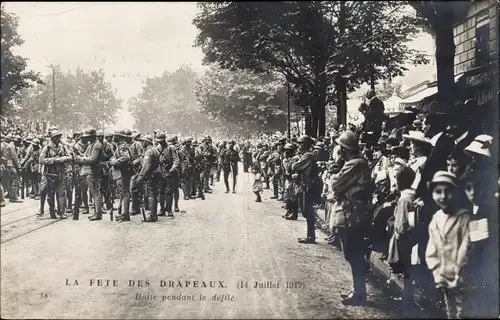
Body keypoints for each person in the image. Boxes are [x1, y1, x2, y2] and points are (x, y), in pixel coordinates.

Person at [329, 131, 374, 305]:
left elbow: (336, 184)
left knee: (352, 252)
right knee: (353, 252)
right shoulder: (359, 163)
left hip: (351, 213)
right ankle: (358, 290)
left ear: (344, 148)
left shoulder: (354, 164)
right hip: (356, 211)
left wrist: (334, 176)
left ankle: (359, 294)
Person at [425, 171, 471, 319]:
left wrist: (460, 275)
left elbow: (466, 248)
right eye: (438, 192)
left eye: (448, 192)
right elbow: (432, 249)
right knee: (450, 312)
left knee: (462, 313)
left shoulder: (464, 218)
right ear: (432, 194)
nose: (443, 197)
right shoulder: (436, 218)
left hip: (463, 280)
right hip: (443, 278)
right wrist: (437, 273)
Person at [39, 130, 73, 219]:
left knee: (62, 193)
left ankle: (62, 212)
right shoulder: (47, 148)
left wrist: (62, 159)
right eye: (56, 137)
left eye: (59, 137)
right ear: (52, 138)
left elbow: (70, 157)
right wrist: (53, 160)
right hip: (50, 174)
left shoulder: (63, 147)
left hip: (61, 173)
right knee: (50, 194)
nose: (58, 138)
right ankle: (52, 211)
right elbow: (41, 160)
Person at [291, 135, 318, 244]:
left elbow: (295, 166)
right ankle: (310, 235)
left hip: (307, 185)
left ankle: (311, 236)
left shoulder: (307, 156)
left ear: (306, 144)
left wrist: (296, 162)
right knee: (306, 210)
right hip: (305, 184)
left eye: (301, 143)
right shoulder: (306, 155)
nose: (298, 145)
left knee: (307, 211)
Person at [73, 128, 104, 221]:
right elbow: (86, 156)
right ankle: (96, 213)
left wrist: (80, 159)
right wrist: (78, 154)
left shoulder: (97, 145)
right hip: (89, 171)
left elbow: (93, 159)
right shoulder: (92, 145)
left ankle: (98, 213)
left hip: (93, 170)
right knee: (94, 192)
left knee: (95, 192)